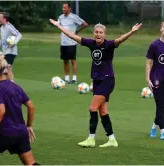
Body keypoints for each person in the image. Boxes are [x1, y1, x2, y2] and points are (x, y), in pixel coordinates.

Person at [49, 18, 142, 147]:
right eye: (96, 32)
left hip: (107, 80)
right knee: (102, 111)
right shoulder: (91, 43)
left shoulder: (109, 45)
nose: (98, 34)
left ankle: (91, 139)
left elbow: (120, 39)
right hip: (97, 81)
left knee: (92, 108)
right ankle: (112, 139)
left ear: (105, 34)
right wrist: (59, 26)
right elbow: (71, 35)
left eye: (100, 32)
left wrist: (132, 31)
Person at [58, 2, 89, 84]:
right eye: (63, 7)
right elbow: (59, 26)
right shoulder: (60, 17)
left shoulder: (73, 17)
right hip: (63, 42)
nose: (63, 9)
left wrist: (77, 31)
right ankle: (67, 78)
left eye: (65, 7)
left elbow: (85, 24)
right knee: (65, 60)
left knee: (73, 60)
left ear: (69, 8)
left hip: (71, 42)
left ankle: (74, 78)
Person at [0, 12, 22, 82]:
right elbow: (2, 39)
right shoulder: (2, 28)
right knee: (3, 67)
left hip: (11, 52)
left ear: (4, 19)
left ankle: (11, 83)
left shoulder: (9, 27)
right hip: (5, 51)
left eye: (0, 18)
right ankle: (8, 82)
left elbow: (19, 35)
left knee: (7, 67)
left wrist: (14, 43)